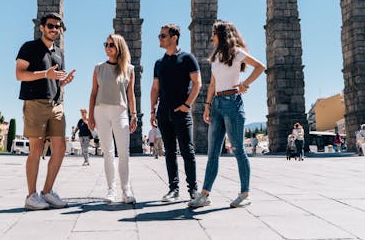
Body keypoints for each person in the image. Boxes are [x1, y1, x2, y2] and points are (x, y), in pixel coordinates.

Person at [189, 21, 265, 208]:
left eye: (214, 33)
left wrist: (245, 84)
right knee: (212, 152)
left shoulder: (236, 52)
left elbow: (260, 66)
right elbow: (213, 84)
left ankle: (245, 193)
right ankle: (205, 194)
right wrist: (207, 105)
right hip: (217, 104)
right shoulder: (215, 57)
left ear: (221, 35)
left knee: (238, 149)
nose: (211, 37)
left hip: (233, 103)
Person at [15, 12, 76, 210]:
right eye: (50, 25)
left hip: (56, 104)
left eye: (58, 26)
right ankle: (31, 196)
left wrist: (63, 82)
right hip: (35, 103)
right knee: (36, 149)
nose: (54, 29)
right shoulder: (29, 47)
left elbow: (55, 80)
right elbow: (19, 74)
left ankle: (47, 192)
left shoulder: (59, 53)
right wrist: (45, 74)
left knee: (60, 148)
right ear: (42, 27)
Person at [150, 23, 202, 202]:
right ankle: (173, 189)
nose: (159, 38)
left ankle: (193, 190)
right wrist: (152, 111)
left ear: (174, 38)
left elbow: (197, 83)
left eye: (163, 36)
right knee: (170, 151)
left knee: (188, 150)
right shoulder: (159, 63)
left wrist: (187, 105)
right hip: (163, 112)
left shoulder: (187, 58)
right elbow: (155, 88)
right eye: (159, 35)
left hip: (181, 112)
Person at [87, 33, 138, 204]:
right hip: (101, 112)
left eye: (111, 45)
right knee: (108, 153)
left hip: (121, 112)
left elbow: (131, 95)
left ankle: (126, 190)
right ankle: (111, 190)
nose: (107, 47)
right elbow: (93, 93)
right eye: (106, 44)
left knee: (124, 152)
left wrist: (134, 115)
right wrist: (90, 116)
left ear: (119, 48)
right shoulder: (98, 68)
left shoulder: (129, 69)